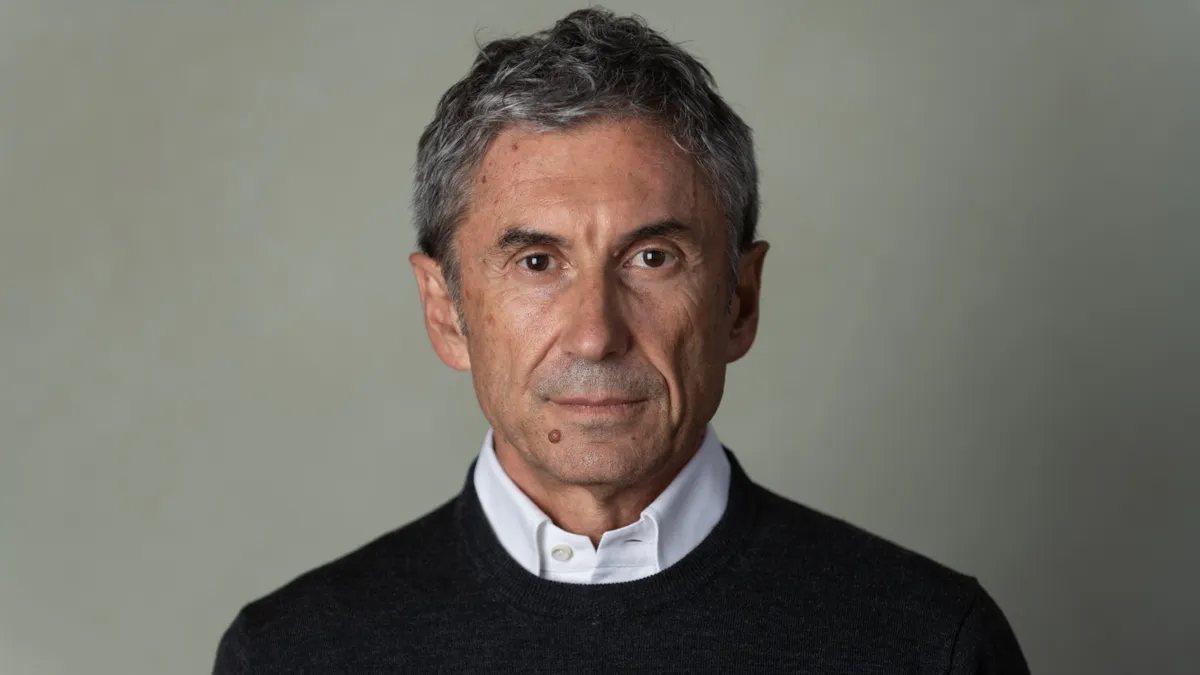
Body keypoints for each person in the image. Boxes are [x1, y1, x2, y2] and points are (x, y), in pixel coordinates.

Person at [213, 7, 1030, 673]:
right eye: (537, 260)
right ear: (445, 309)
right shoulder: (291, 655)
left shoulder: (930, 646)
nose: (596, 333)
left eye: (651, 257)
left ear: (739, 300)